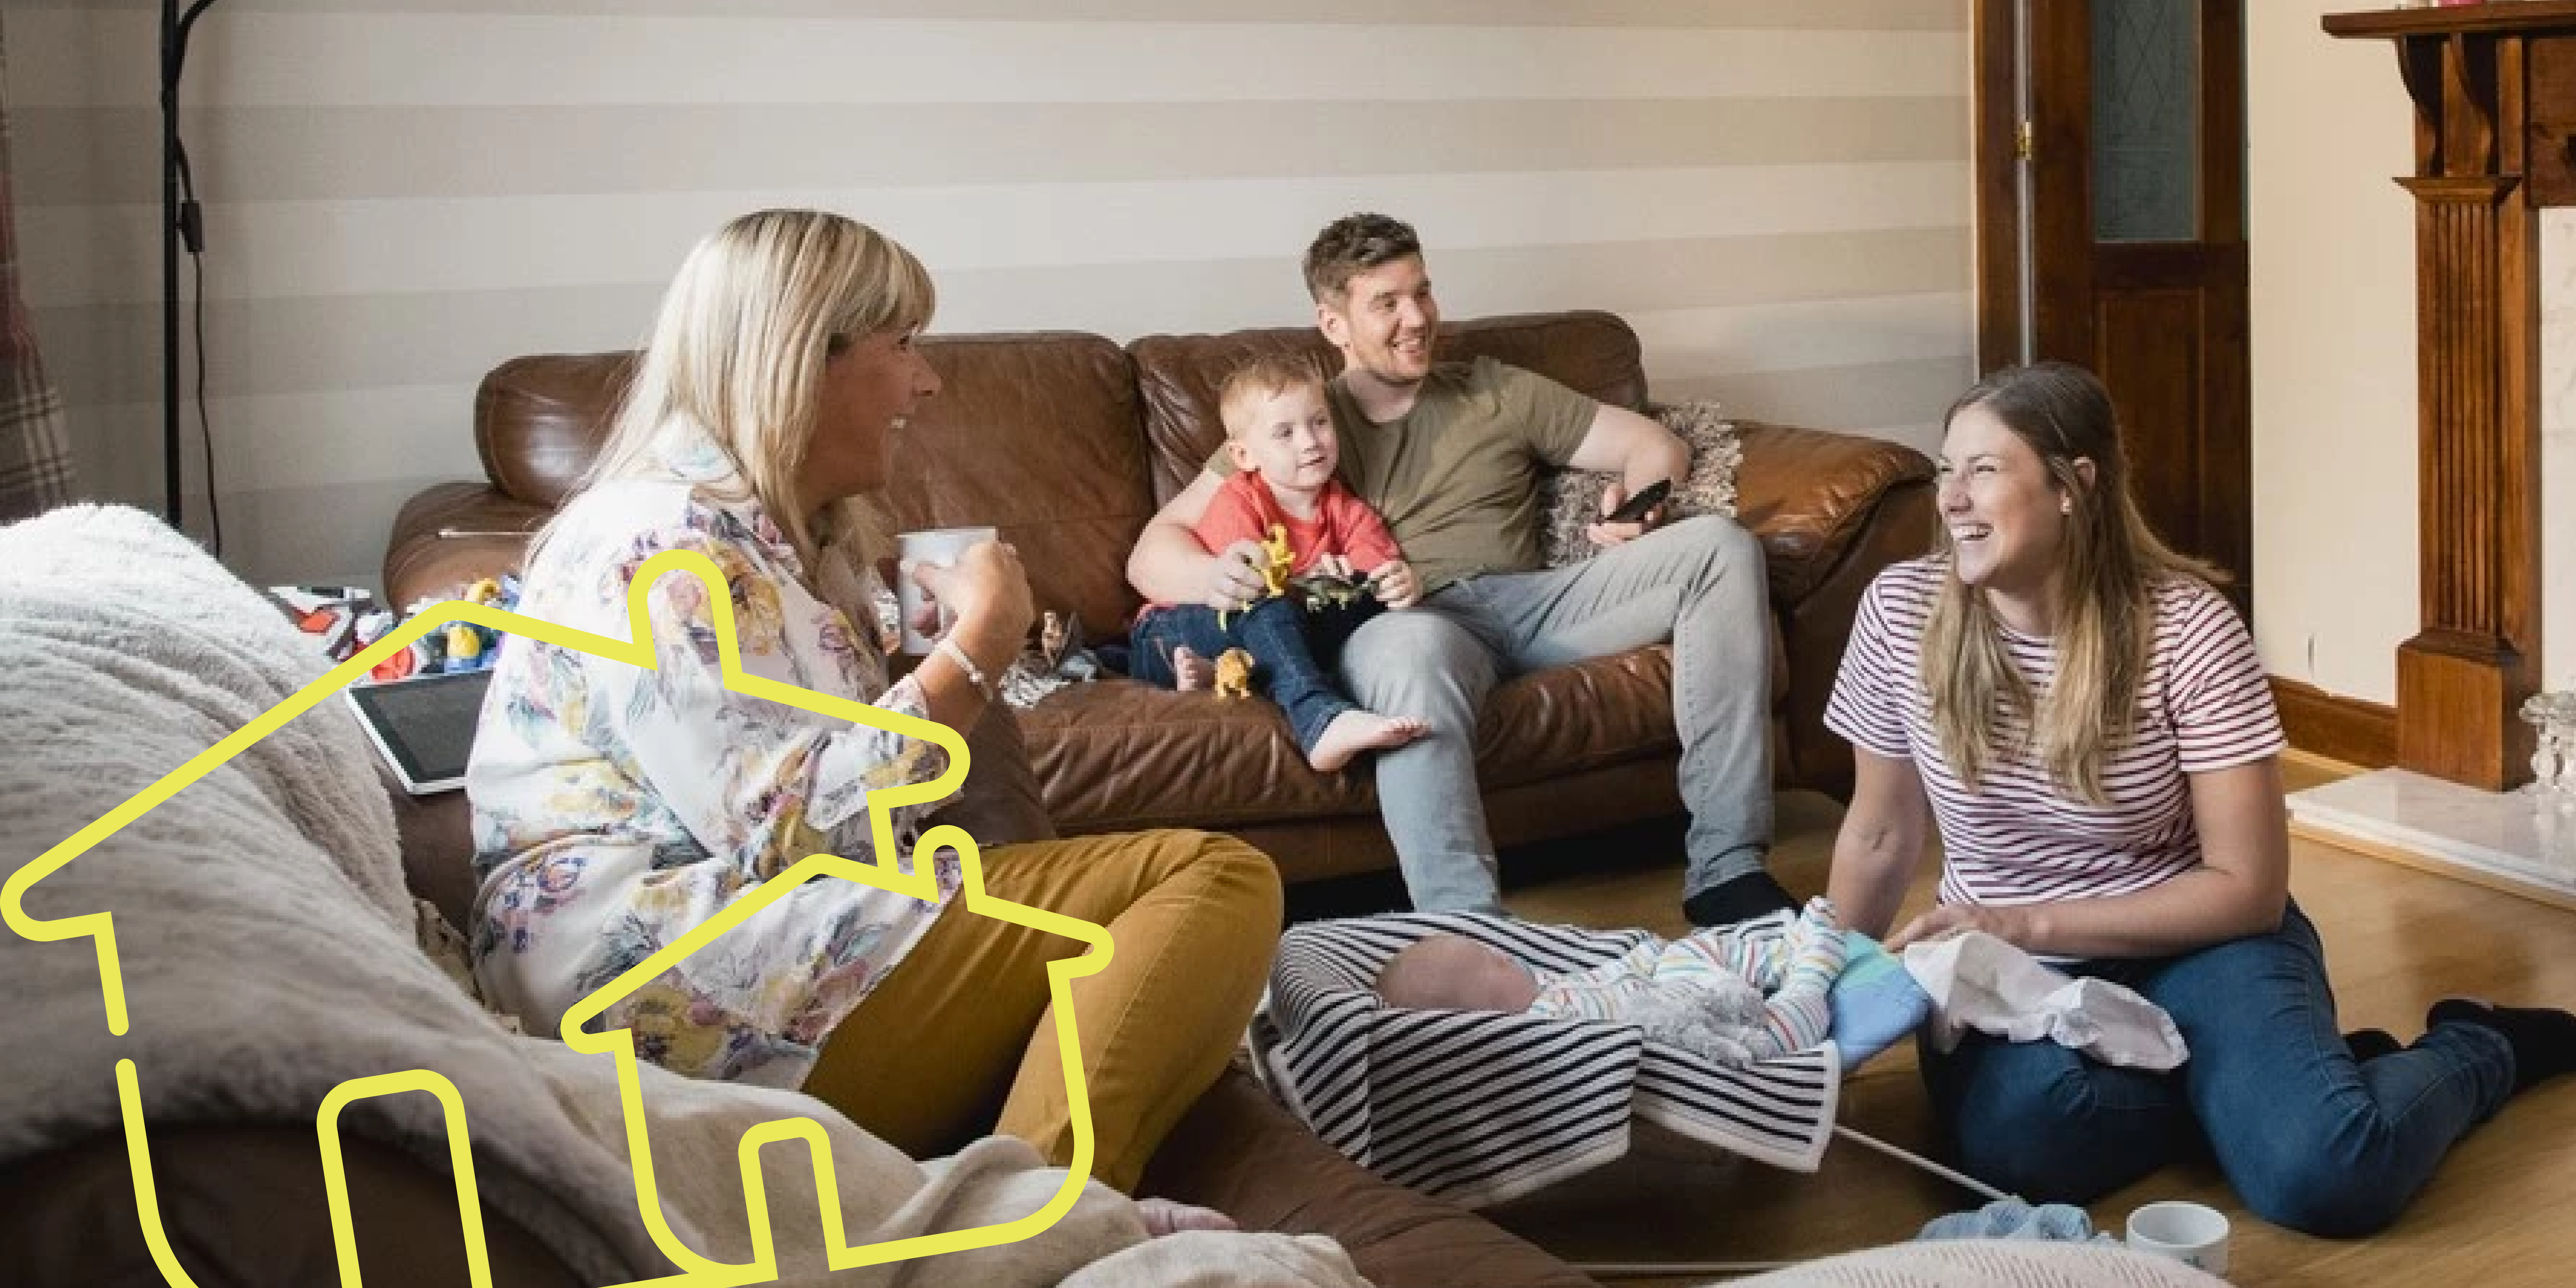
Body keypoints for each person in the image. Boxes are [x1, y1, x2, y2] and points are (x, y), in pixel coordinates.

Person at [466, 209, 1283, 1198]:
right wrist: (978, 648)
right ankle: (1041, 1223)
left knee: (1165, 951)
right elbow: (787, 833)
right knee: (1217, 880)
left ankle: (1028, 1198)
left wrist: (917, 659)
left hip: (753, 949)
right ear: (801, 358)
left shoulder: (783, 541)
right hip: (661, 983)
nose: (928, 381)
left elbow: (838, 796)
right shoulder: (659, 546)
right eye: (904, 346)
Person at [1821, 359, 2576, 1236]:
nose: (1950, 496)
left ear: (2073, 486)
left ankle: (2477, 1044)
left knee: (2325, 1172)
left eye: (1983, 469)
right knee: (2016, 1151)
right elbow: (1878, 835)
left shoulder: (2185, 627)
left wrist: (2018, 920)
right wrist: (1815, 996)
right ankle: (2274, 1086)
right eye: (1946, 468)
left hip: (2197, 938)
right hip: (2009, 974)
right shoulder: (1900, 610)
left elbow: (2245, 887)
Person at [1125, 211, 1789, 925]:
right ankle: (1467, 929)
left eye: (1423, 292)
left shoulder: (1495, 389)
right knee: (1413, 647)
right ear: (1333, 322)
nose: (1416, 319)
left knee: (1721, 549)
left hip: (1533, 604)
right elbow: (1152, 548)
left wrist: (1640, 504)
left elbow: (1652, 443)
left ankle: (1728, 870)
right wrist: (1211, 578)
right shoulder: (1301, 421)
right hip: (1404, 622)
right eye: (1386, 303)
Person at [1128, 354, 1429, 772]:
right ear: (1244, 454)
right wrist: (1314, 582)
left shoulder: (1348, 510)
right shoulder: (1241, 498)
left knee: (1357, 609)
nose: (1310, 442)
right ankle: (1321, 719)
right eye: (1285, 433)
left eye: (1320, 422)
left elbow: (1374, 578)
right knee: (1272, 609)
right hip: (1171, 630)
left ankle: (1224, 673)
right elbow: (1253, 587)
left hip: (1255, 634)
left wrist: (1396, 584)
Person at [1373, 899, 1848, 1067]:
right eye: (1490, 962)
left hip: (1678, 988)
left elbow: (1615, 975)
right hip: (1709, 1040)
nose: (1503, 954)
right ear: (1487, 1019)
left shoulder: (1551, 989)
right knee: (1777, 1030)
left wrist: (1650, 956)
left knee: (1692, 952)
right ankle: (1812, 970)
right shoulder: (1548, 1027)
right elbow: (1627, 1024)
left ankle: (1775, 954)